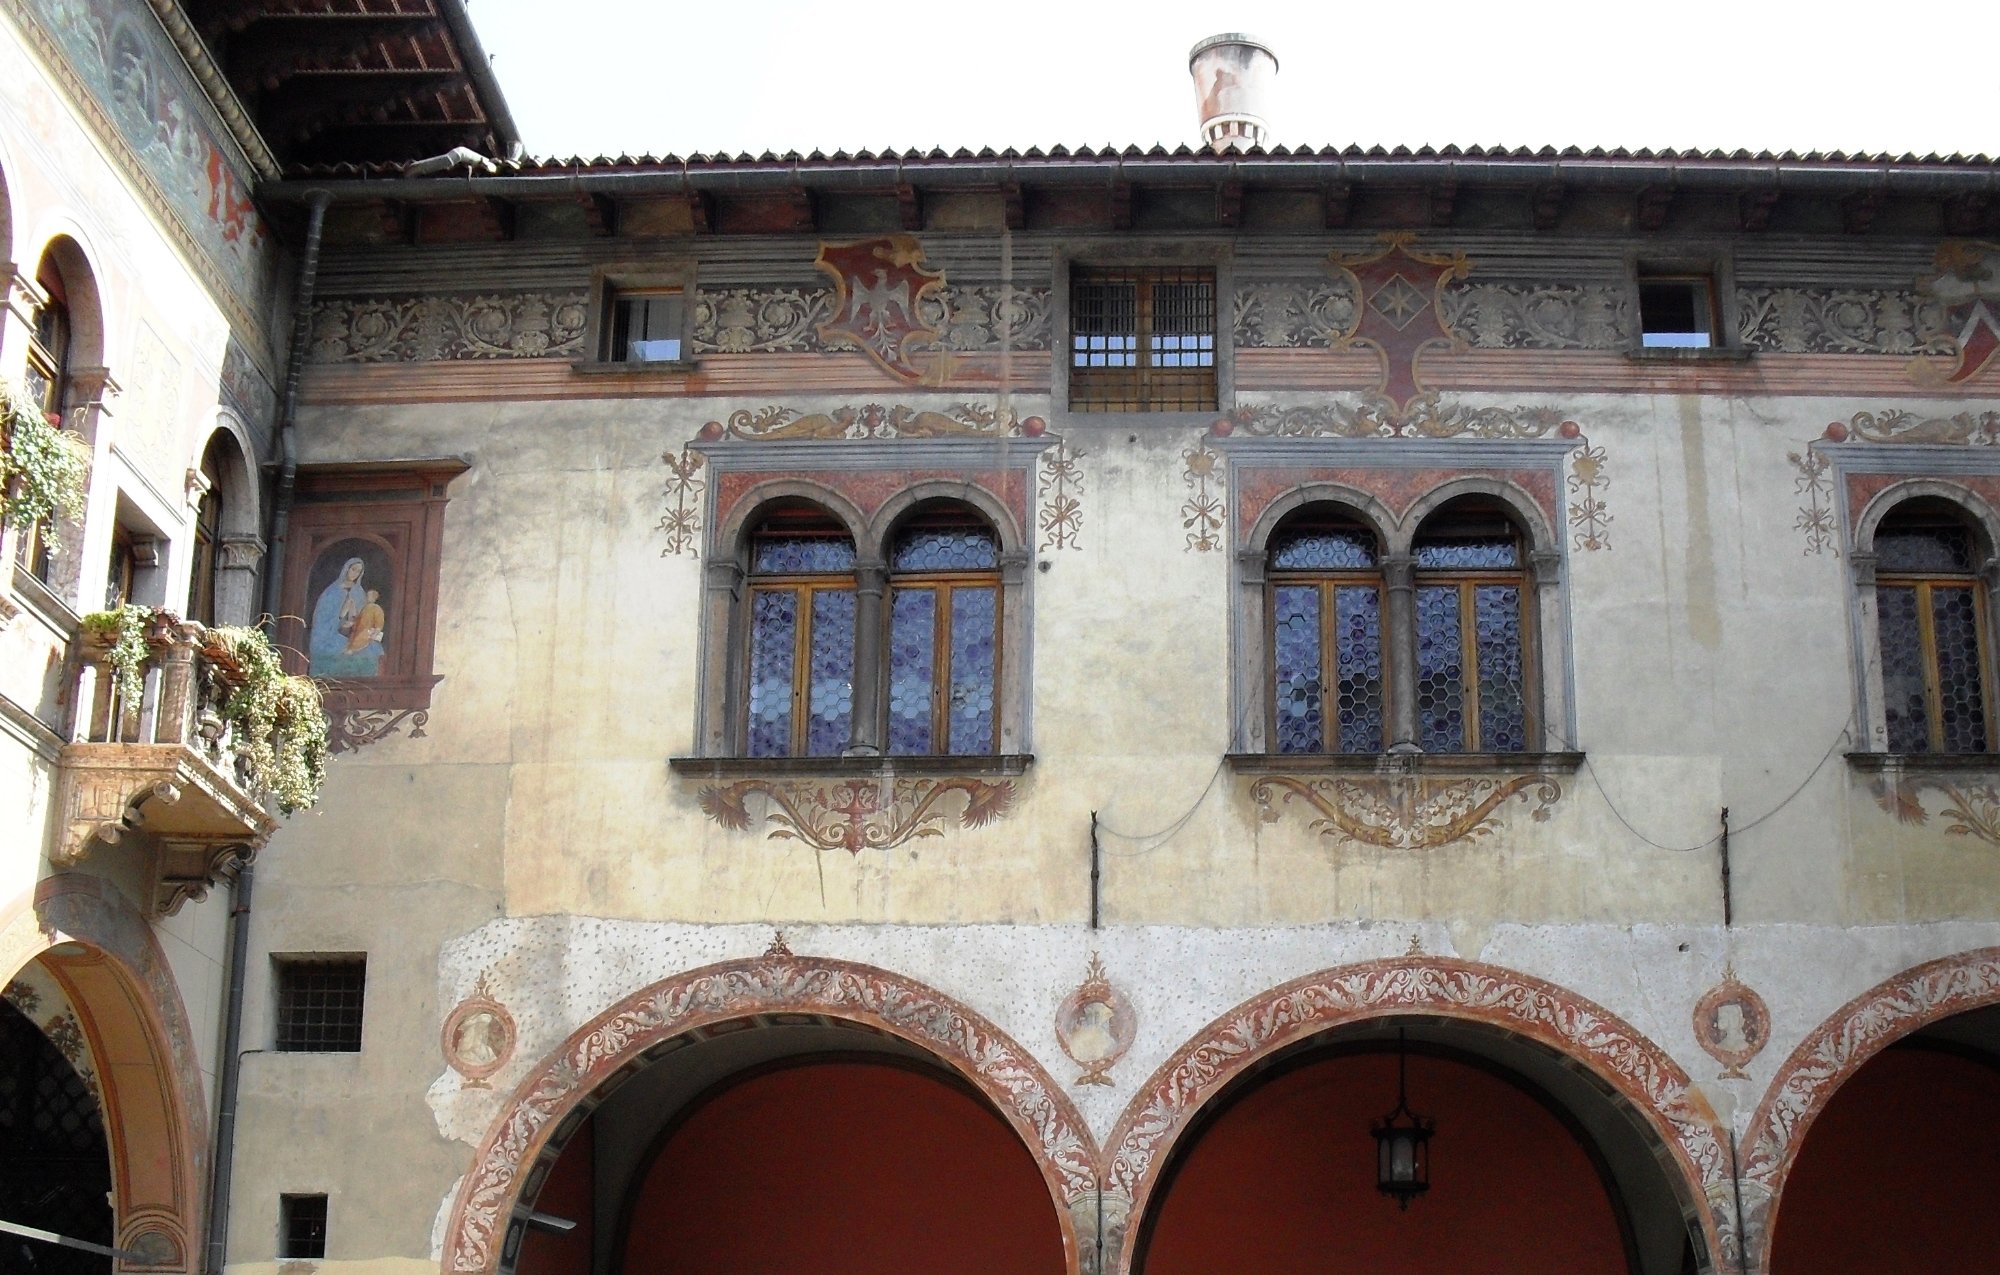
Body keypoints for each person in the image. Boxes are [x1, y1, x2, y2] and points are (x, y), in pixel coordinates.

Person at [309, 557, 383, 676]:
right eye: (353, 569)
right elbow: (322, 618)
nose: (355, 573)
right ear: (346, 569)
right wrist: (341, 616)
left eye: (358, 571)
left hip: (352, 633)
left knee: (371, 649)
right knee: (335, 649)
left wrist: (355, 623)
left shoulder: (359, 592)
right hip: (330, 634)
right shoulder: (332, 592)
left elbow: (362, 615)